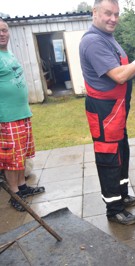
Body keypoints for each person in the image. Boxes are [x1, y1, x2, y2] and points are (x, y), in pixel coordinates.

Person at [79, 0, 135, 225]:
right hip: (104, 111)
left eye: (116, 14)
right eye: (107, 13)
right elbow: (120, 75)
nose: (113, 18)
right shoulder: (94, 41)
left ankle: (122, 195)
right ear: (95, 13)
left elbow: (125, 70)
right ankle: (113, 210)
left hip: (116, 109)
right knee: (108, 157)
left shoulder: (107, 38)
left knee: (121, 151)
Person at [0, 18, 45, 212]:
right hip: (6, 116)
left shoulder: (8, 53)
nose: (2, 34)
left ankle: (23, 187)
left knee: (21, 155)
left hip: (21, 113)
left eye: (4, 30)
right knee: (11, 158)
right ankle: (14, 193)